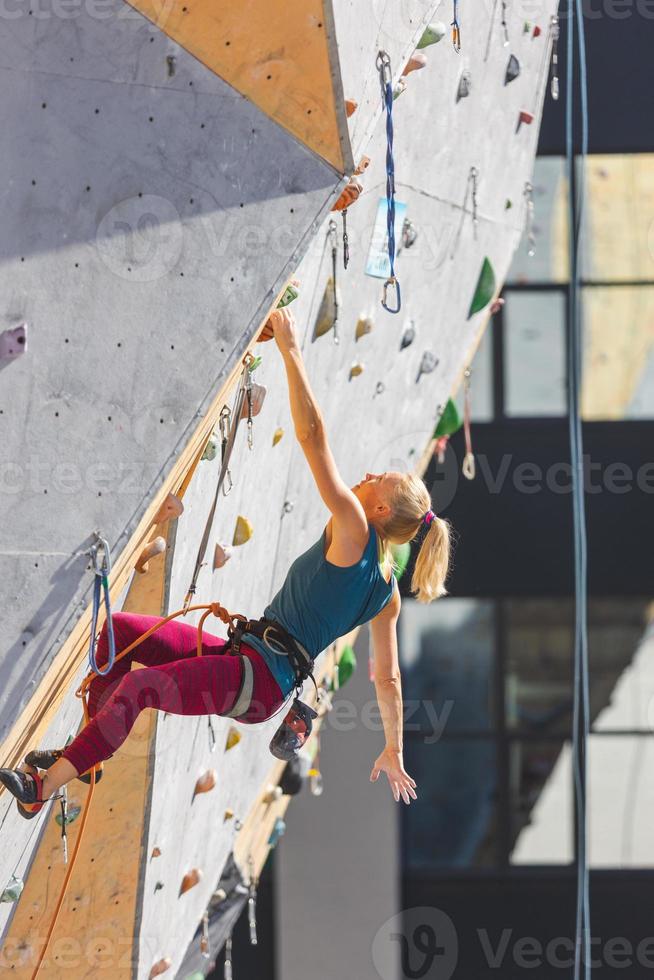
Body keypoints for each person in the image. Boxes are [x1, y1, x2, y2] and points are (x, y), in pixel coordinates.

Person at [0, 307, 450, 815]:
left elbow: (312, 437)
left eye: (378, 480)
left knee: (141, 686)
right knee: (121, 633)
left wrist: (291, 348)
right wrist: (394, 747)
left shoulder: (354, 525)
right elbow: (387, 679)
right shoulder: (386, 594)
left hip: (258, 682)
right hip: (248, 656)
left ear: (382, 510)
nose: (366, 476)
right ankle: (88, 752)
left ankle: (43, 787)